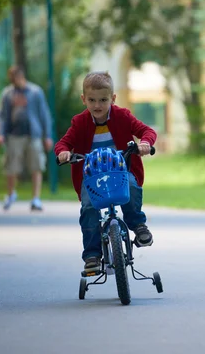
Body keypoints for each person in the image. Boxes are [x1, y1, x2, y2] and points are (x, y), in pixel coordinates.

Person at [55, 71, 157, 273]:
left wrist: (145, 143)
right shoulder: (79, 122)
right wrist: (64, 153)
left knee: (131, 186)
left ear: (113, 98)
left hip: (119, 172)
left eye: (103, 100)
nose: (97, 105)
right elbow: (64, 143)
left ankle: (138, 225)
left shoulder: (122, 116)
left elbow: (147, 131)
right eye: (92, 100)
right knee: (88, 208)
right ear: (84, 99)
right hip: (92, 176)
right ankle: (92, 254)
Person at [0, 66, 54, 211]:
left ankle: (36, 199)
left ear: (22, 76)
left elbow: (44, 114)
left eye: (16, 77)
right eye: (12, 78)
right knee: (11, 167)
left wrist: (47, 136)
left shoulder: (35, 92)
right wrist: (1, 134)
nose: (15, 81)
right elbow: (2, 116)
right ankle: (10, 194)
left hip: (33, 134)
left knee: (37, 166)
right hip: (14, 135)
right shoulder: (7, 93)